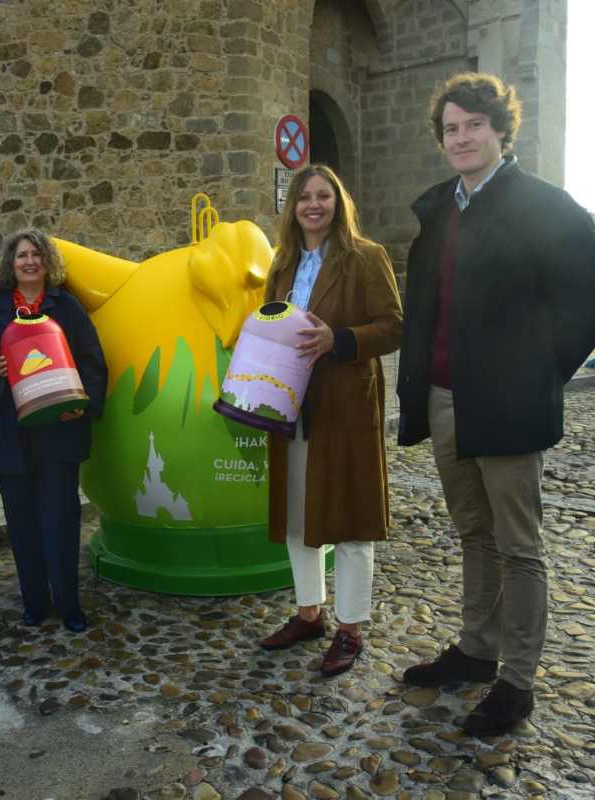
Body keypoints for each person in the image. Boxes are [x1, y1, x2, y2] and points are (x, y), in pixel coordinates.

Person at [396, 73, 595, 736]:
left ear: (499, 131)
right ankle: (475, 650)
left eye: (473, 126)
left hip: (507, 404)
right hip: (442, 397)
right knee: (473, 533)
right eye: (451, 128)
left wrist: (537, 373)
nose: (461, 138)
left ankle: (517, 681)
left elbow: (588, 303)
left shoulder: (546, 207)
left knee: (519, 546)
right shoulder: (439, 212)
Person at [257, 165, 403, 677]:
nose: (314, 205)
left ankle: (351, 628)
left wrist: (337, 340)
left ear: (339, 204)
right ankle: (308, 613)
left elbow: (393, 326)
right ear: (292, 207)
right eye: (304, 197)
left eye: (324, 196)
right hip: (290, 404)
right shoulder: (282, 265)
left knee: (349, 519)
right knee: (299, 516)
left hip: (344, 406)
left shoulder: (366, 257)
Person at [0, 230, 107, 632]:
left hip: (59, 433)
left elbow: (94, 365)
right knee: (22, 522)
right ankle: (34, 602)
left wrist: (80, 409)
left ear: (48, 263)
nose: (29, 262)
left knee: (61, 520)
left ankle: (69, 604)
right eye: (21, 256)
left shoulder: (69, 308)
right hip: (8, 435)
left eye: (36, 255)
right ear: (10, 265)